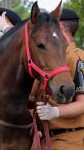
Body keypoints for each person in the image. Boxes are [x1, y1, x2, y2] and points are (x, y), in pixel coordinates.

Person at [30, 9, 84, 150]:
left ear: (59, 27)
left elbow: (82, 103)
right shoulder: (48, 58)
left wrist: (55, 112)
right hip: (44, 140)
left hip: (69, 140)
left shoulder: (76, 57)